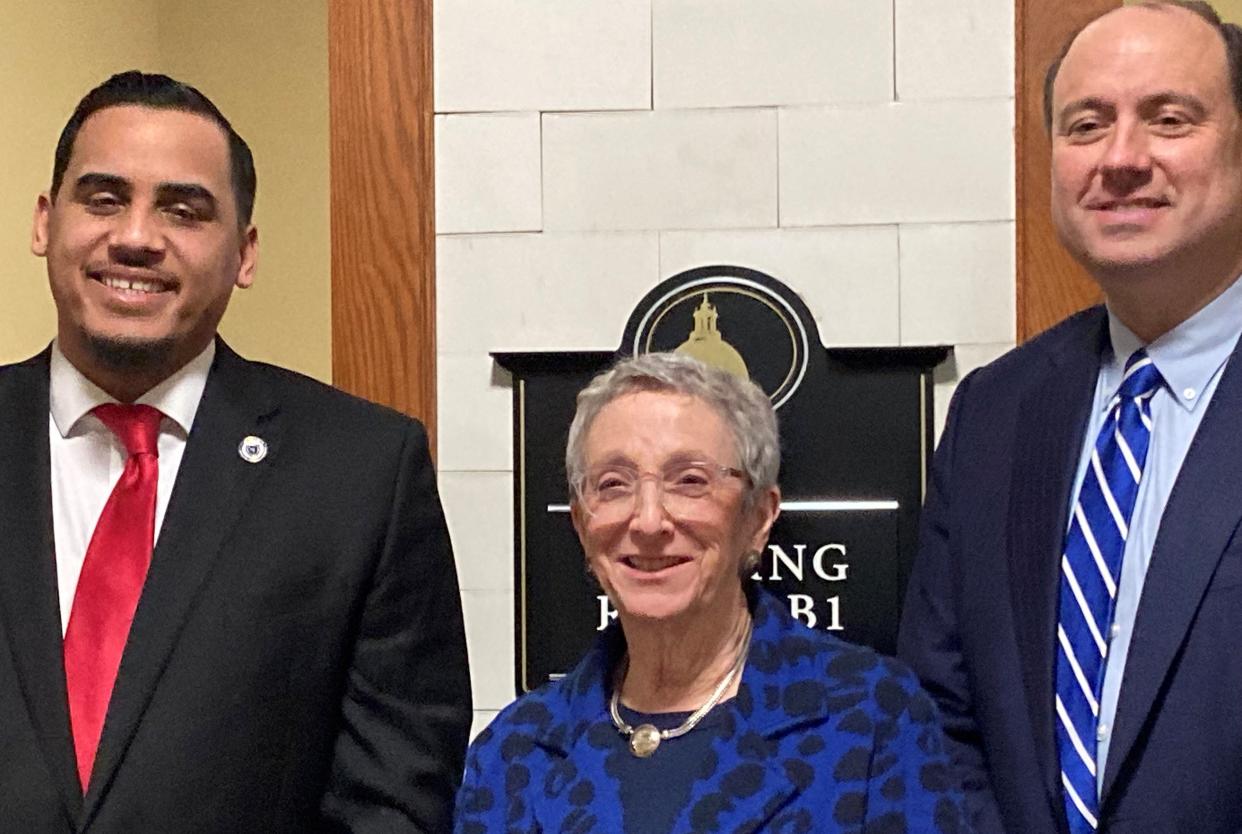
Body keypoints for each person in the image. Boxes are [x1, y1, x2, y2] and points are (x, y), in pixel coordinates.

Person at [0, 71, 470, 832]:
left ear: (245, 253)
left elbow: (395, 800)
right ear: (45, 223)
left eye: (184, 210)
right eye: (104, 198)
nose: (136, 237)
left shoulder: (360, 474)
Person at [898, 3, 1242, 832]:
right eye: (1086, 125)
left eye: (1169, 118)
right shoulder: (995, 412)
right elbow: (939, 718)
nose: (1121, 159)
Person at [455, 352, 965, 833]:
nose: (649, 520)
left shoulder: (870, 717)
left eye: (689, 481)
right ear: (581, 524)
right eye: (613, 484)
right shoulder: (514, 753)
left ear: (759, 517)